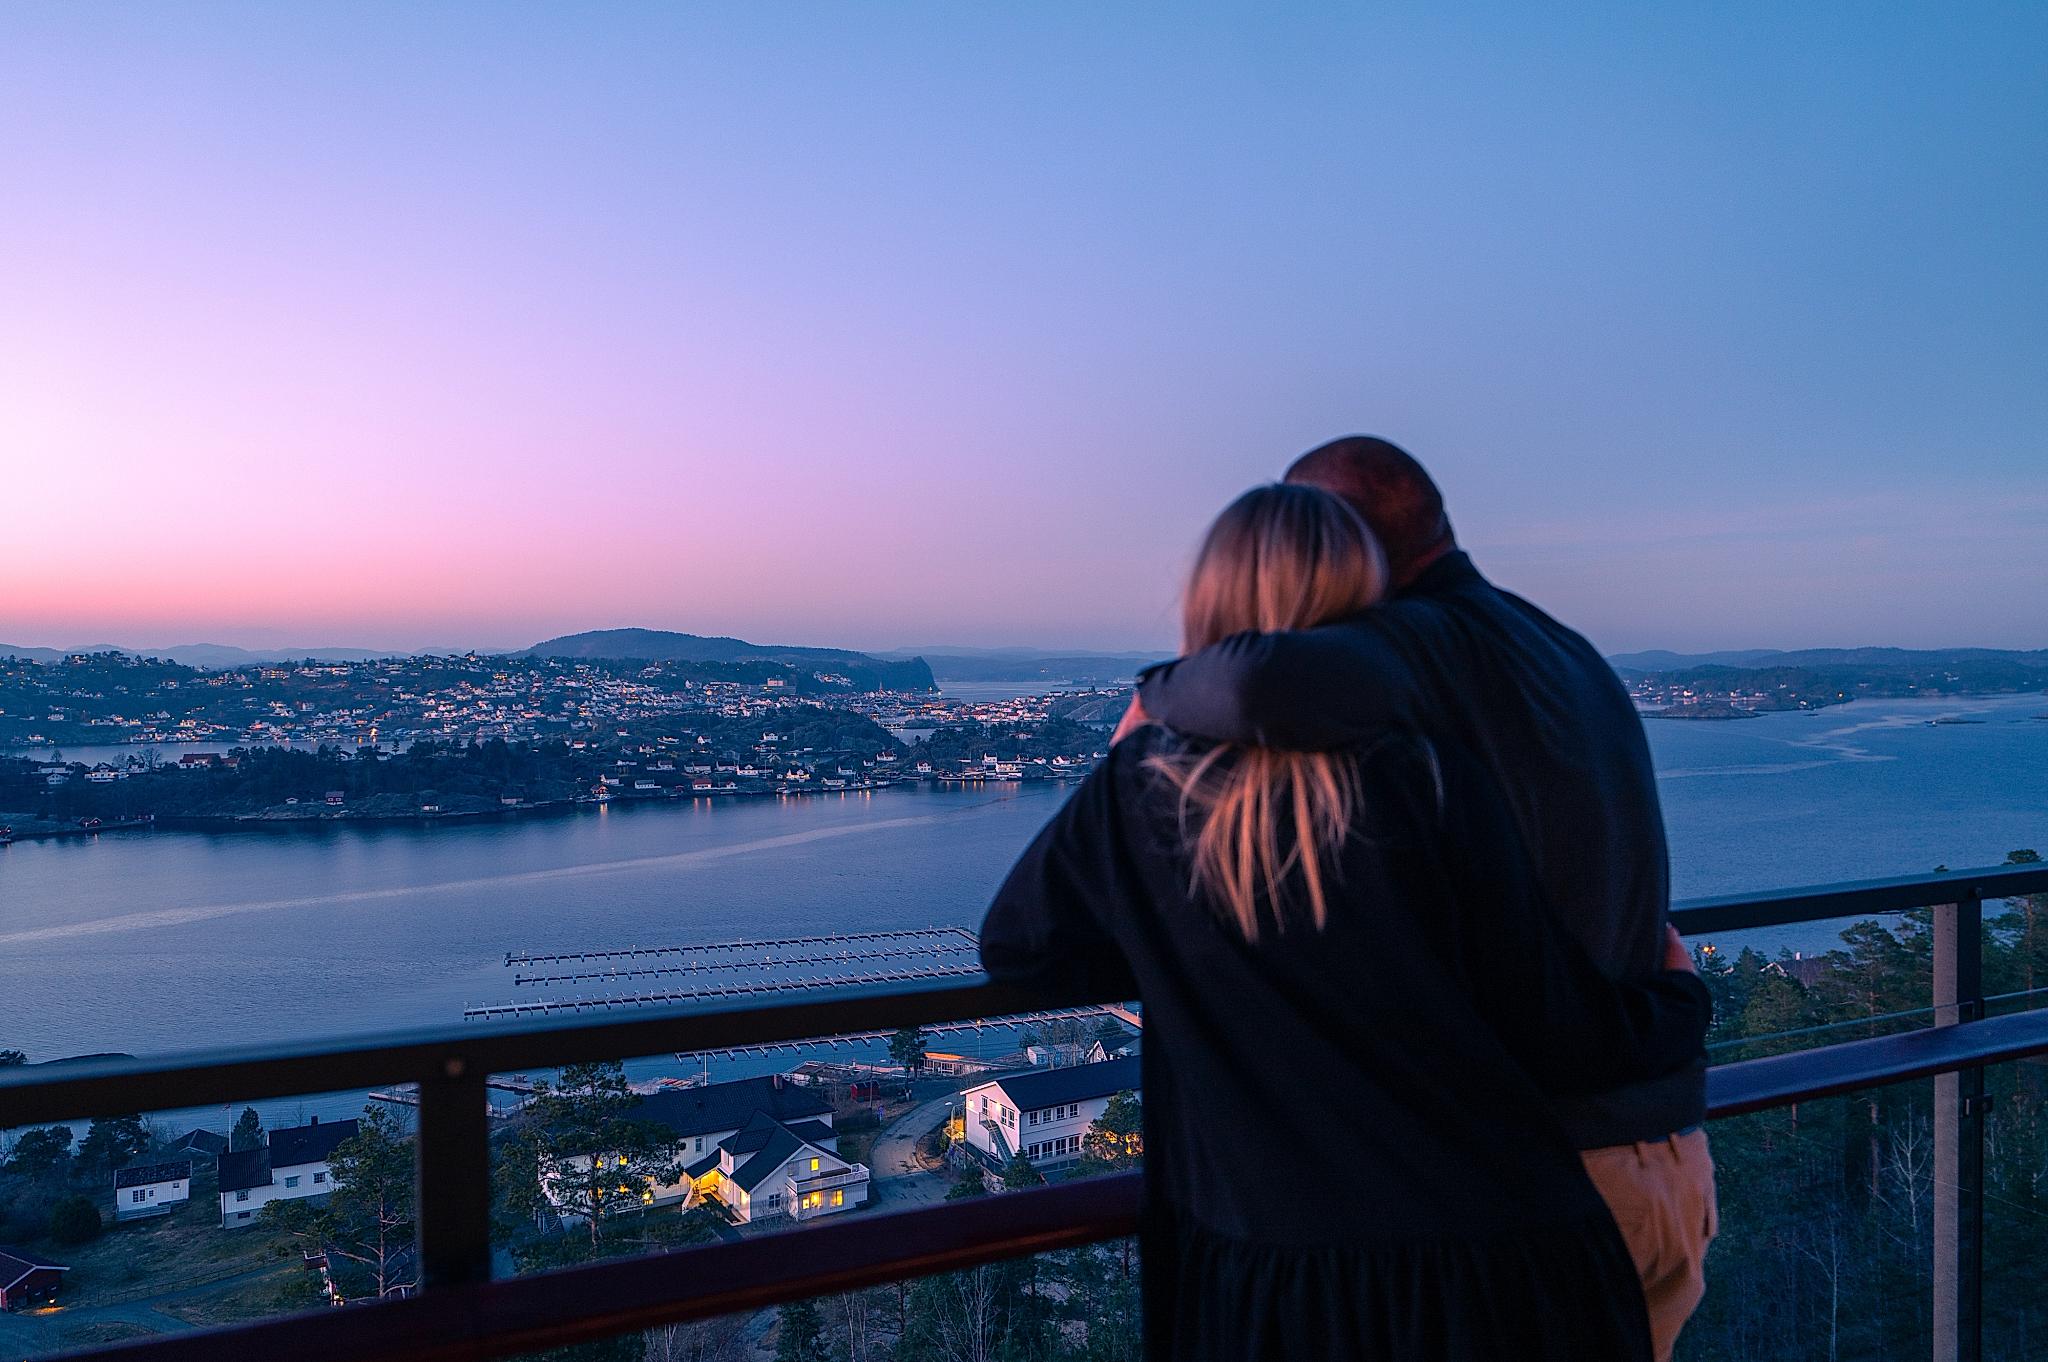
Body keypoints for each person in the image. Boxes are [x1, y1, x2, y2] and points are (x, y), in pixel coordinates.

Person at [981, 483, 1711, 1362]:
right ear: (1363, 602)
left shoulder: (1141, 789)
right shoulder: (1431, 780)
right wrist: (1678, 999)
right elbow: (1555, 1029)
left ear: (1206, 603)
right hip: (1483, 1271)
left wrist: (1178, 946)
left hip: (1259, 1280)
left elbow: (1020, 952)